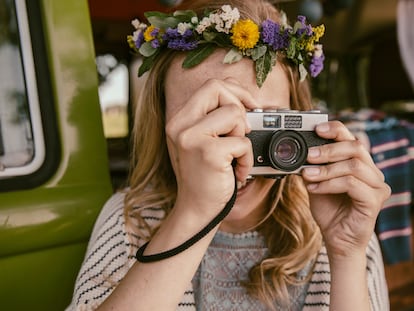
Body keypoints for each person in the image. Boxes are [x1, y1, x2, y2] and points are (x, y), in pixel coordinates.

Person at [66, 0, 391, 310]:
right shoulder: (130, 218)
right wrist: (193, 213)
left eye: (261, 124)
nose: (235, 153)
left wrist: (347, 254)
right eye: (206, 124)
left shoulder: (338, 219)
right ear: (163, 131)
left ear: (299, 126)